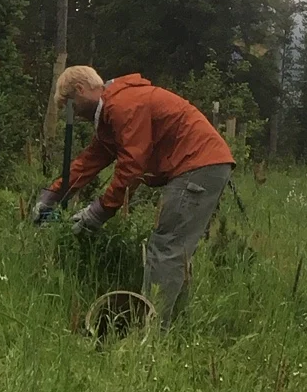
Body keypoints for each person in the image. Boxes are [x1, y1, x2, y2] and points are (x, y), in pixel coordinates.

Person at [31, 66, 234, 328]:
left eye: (71, 106)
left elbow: (132, 166)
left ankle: (149, 332)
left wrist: (99, 211)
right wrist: (53, 194)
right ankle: (175, 326)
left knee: (167, 248)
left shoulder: (124, 105)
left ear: (80, 91)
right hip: (203, 165)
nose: (75, 115)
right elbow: (90, 160)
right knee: (175, 249)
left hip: (196, 166)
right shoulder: (114, 111)